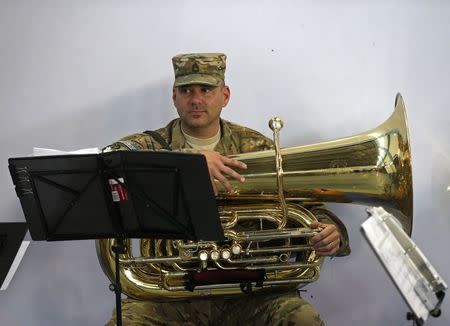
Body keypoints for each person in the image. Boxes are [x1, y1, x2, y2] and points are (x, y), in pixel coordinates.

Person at [104, 53, 350, 326]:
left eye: (206, 90)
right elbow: (109, 159)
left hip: (252, 294)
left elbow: (310, 208)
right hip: (170, 296)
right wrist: (188, 162)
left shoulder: (257, 148)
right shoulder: (150, 144)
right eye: (186, 90)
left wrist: (332, 232)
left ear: (225, 95)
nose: (196, 99)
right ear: (174, 97)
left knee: (303, 319)